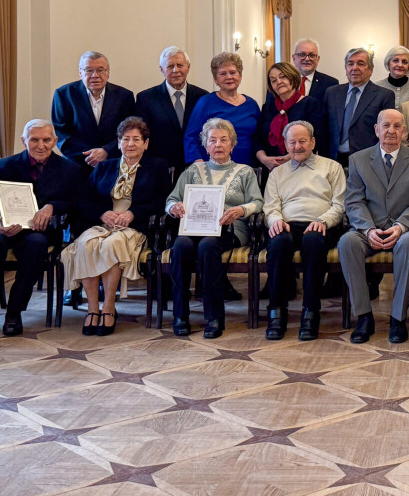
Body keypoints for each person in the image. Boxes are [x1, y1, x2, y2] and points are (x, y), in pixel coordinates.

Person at [0, 120, 82, 337]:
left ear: (55, 141)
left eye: (46, 140)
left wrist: (52, 207)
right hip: (2, 228)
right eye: (34, 139)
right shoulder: (5, 165)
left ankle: (14, 312)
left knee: (36, 245)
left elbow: (77, 204)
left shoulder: (69, 169)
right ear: (24, 141)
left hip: (38, 231)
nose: (41, 145)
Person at [60, 117, 169, 336]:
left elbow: (162, 201)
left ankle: (109, 308)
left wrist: (132, 213)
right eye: (125, 139)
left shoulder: (157, 166)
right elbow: (83, 200)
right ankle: (92, 309)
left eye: (136, 139)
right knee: (86, 244)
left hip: (134, 227)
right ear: (118, 143)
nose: (130, 144)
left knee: (113, 244)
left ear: (146, 143)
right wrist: (102, 213)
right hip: (103, 224)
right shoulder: (104, 167)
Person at [340, 110, 409, 344]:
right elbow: (353, 201)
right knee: (347, 242)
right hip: (369, 227)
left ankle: (398, 319)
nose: (391, 131)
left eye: (397, 126)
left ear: (404, 131)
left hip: (406, 229)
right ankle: (363, 317)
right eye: (386, 125)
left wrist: (401, 227)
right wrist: (368, 229)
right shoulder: (358, 159)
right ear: (376, 130)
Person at [166, 118, 263, 339]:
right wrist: (175, 207)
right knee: (180, 245)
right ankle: (180, 315)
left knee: (208, 246)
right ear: (205, 145)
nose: (218, 145)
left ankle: (214, 316)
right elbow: (171, 199)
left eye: (223, 140)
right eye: (212, 140)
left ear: (232, 144)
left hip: (228, 229)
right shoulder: (193, 170)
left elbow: (258, 202)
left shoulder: (245, 171)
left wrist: (240, 210)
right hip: (194, 227)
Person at [262, 120, 346, 341]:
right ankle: (276, 313)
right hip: (288, 225)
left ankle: (311, 312)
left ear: (313, 142)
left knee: (313, 242)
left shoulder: (331, 167)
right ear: (285, 145)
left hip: (320, 225)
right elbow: (270, 206)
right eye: (292, 142)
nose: (297, 146)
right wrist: (276, 220)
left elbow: (339, 205)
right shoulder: (277, 173)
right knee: (278, 243)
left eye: (302, 141)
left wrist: (323, 220)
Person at [52, 51, 136, 168]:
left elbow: (129, 131)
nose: (95, 75)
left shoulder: (124, 96)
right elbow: (61, 133)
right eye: (89, 70)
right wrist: (91, 155)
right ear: (80, 73)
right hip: (76, 164)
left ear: (108, 73)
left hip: (112, 163)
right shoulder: (64, 95)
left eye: (100, 70)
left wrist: (106, 151)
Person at [135, 46, 207, 172]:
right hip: (160, 168)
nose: (176, 70)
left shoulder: (202, 96)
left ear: (188, 67)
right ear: (162, 69)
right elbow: (143, 135)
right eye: (170, 66)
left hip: (196, 165)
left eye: (180, 65)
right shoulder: (146, 98)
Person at [183, 52, 261, 166]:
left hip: (247, 168)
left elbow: (258, 138)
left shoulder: (252, 105)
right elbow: (191, 137)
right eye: (223, 74)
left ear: (240, 76)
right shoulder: (205, 103)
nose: (229, 77)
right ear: (216, 79)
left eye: (233, 72)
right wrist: (199, 165)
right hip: (213, 168)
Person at [326, 48, 396, 167]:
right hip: (333, 160)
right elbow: (325, 128)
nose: (354, 68)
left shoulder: (384, 95)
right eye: (350, 63)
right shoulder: (332, 93)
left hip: (367, 162)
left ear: (370, 70)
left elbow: (385, 132)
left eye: (361, 64)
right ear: (346, 68)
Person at [253, 61, 325, 172]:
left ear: (293, 78)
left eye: (283, 77)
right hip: (270, 168)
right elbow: (256, 139)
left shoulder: (310, 104)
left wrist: (288, 158)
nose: (279, 82)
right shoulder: (267, 107)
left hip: (300, 167)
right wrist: (264, 159)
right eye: (273, 80)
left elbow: (316, 138)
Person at [292, 38, 339, 102]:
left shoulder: (330, 84)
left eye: (312, 55)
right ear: (294, 58)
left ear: (318, 59)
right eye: (302, 54)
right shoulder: (283, 81)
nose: (307, 59)